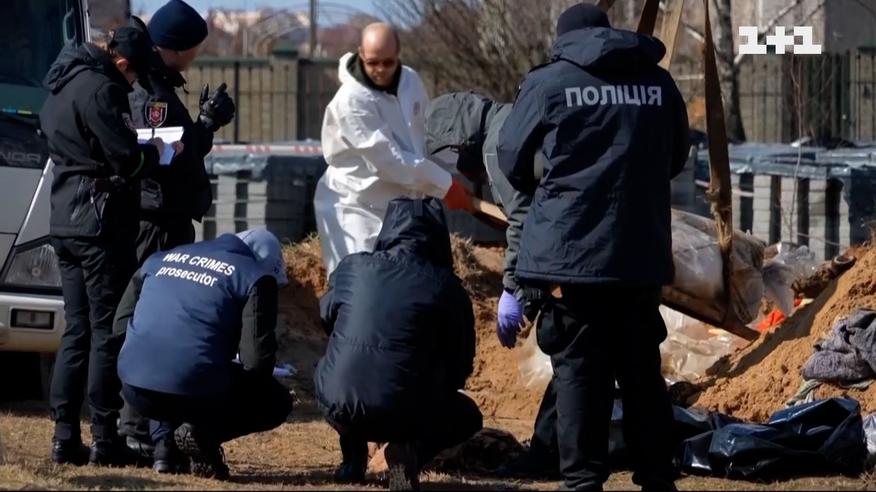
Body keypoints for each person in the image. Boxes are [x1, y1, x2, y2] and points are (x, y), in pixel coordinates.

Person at [497, 4, 690, 491]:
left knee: (581, 376)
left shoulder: (548, 83)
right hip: (639, 256)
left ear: (563, 38)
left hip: (572, 259)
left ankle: (583, 483)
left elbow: (511, 159)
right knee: (642, 372)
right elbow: (676, 155)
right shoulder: (658, 82)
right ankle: (658, 478)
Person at [40, 26, 164, 466]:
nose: (134, 84)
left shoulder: (62, 82)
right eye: (135, 76)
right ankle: (105, 438)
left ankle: (64, 435)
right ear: (122, 63)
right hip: (98, 222)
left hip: (64, 217)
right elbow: (126, 158)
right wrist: (154, 153)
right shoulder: (102, 90)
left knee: (75, 330)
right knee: (105, 331)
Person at [120, 3, 236, 460]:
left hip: (162, 217)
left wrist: (201, 123)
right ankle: (138, 428)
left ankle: (147, 428)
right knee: (149, 320)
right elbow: (170, 157)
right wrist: (206, 124)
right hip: (157, 221)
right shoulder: (153, 93)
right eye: (194, 48)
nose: (195, 56)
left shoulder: (159, 83)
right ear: (181, 47)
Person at [424, 92, 559, 478]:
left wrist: (513, 289)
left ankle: (550, 456)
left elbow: (522, 219)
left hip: (576, 256)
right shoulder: (509, 122)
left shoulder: (496, 148)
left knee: (569, 353)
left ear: (460, 140)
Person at [314, 197, 483, 491]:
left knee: (348, 367)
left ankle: (352, 461)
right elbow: (460, 363)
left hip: (338, 400)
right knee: (468, 417)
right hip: (407, 409)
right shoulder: (447, 287)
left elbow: (328, 317)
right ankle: (408, 452)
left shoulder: (352, 267)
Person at [114, 229, 294, 479]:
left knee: (175, 364)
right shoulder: (254, 275)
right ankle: (204, 434)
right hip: (193, 387)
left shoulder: (161, 259)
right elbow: (256, 362)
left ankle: (166, 452)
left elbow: (119, 327)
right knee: (277, 401)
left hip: (135, 387)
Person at [314, 22, 474, 276]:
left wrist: (455, 167)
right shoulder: (352, 101)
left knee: (406, 280)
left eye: (388, 62)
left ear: (398, 55)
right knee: (360, 280)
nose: (380, 70)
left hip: (403, 205)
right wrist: (444, 185)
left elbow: (424, 135)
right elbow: (389, 161)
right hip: (357, 205)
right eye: (372, 62)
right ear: (361, 54)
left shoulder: (410, 81)